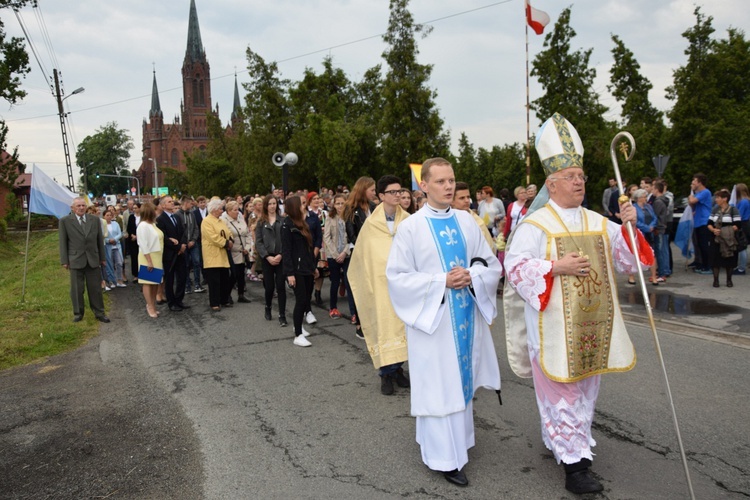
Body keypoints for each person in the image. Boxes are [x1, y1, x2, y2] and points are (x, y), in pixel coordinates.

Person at [504, 113, 653, 495]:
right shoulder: (534, 226)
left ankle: (566, 442)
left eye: (581, 176)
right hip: (553, 328)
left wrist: (631, 225)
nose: (578, 182)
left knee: (584, 392)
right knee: (562, 393)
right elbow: (516, 268)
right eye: (570, 177)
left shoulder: (597, 221)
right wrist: (556, 266)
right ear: (551, 185)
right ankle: (576, 468)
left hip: (592, 326)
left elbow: (629, 258)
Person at [386, 158, 502, 487]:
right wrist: (441, 282)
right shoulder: (410, 227)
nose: (449, 187)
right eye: (440, 182)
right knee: (438, 386)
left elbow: (489, 264)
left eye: (451, 180)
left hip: (464, 316)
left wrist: (473, 274)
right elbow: (397, 277)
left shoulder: (467, 222)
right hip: (433, 321)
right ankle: (443, 457)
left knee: (459, 383)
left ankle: (459, 445)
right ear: (423, 186)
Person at [348, 175, 410, 395]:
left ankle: (398, 369)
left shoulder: (410, 221)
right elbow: (363, 258)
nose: (398, 195)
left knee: (402, 327)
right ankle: (385, 374)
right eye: (392, 192)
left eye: (400, 191)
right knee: (384, 327)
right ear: (381, 196)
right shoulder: (371, 225)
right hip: (380, 285)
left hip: (404, 285)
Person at [59, 197, 109, 323]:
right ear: (73, 208)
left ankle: (99, 312)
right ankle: (78, 313)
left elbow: (99, 241)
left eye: (83, 205)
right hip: (75, 259)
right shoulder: (65, 221)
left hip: (93, 259)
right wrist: (65, 260)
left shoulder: (95, 220)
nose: (81, 208)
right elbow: (63, 242)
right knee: (77, 289)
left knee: (95, 289)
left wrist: (102, 258)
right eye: (78, 206)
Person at [281, 196, 317, 347]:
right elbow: (287, 251)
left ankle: (298, 326)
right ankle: (298, 335)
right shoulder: (286, 226)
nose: (304, 206)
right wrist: (290, 273)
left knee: (306, 298)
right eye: (301, 204)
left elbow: (308, 248)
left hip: (307, 267)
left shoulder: (302, 223)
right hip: (296, 270)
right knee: (301, 299)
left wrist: (313, 267)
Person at [344, 176, 377, 336]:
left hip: (375, 255)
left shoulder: (374, 206)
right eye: (372, 190)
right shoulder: (351, 209)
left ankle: (371, 322)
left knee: (373, 290)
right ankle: (360, 325)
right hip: (359, 255)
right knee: (361, 290)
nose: (374, 193)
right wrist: (367, 247)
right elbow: (352, 235)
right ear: (363, 190)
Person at [255, 194, 287, 326]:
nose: (272, 206)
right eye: (270, 204)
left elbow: (286, 240)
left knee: (281, 286)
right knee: (269, 287)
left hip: (280, 257)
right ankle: (268, 307)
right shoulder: (261, 222)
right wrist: (267, 256)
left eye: (274, 204)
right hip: (267, 258)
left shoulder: (283, 220)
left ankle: (282, 314)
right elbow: (259, 242)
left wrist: (280, 254)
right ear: (265, 206)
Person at [323, 193, 355, 320]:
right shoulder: (330, 218)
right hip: (333, 255)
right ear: (333, 205)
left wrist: (344, 252)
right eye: (337, 203)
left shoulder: (350, 217)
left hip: (347, 254)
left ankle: (354, 312)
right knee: (335, 282)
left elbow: (353, 236)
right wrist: (336, 254)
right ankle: (333, 308)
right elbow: (327, 237)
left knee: (348, 282)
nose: (340, 206)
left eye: (342, 203)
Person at [156, 196, 189, 312]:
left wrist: (183, 245)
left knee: (183, 277)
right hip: (170, 255)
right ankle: (171, 302)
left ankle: (179, 300)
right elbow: (164, 238)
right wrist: (178, 247)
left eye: (172, 201)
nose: (172, 203)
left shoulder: (176, 217)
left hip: (181, 253)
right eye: (169, 202)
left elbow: (183, 232)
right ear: (163, 205)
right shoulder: (161, 219)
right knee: (169, 280)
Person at [201, 198, 234, 311]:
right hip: (212, 254)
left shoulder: (221, 221)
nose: (222, 211)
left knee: (224, 278)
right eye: (220, 209)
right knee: (214, 281)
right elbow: (212, 237)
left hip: (223, 254)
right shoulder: (206, 221)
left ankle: (224, 299)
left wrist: (231, 240)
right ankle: (214, 302)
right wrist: (226, 243)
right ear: (214, 209)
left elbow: (229, 232)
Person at [708, 189, 741, 287]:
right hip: (716, 238)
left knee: (729, 259)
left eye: (718, 197)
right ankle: (716, 280)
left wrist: (727, 230)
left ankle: (729, 280)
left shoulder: (733, 210)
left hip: (728, 239)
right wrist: (713, 230)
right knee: (715, 259)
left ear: (725, 199)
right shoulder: (715, 209)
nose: (716, 199)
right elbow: (709, 223)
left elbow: (738, 224)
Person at [136, 202, 164, 318]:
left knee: (155, 283)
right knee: (148, 282)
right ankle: (150, 305)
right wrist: (149, 261)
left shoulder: (153, 224)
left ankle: (152, 305)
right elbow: (143, 244)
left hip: (157, 255)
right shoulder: (142, 226)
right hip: (148, 256)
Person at [221, 200, 252, 303]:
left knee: (241, 275)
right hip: (232, 252)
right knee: (233, 275)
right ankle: (227, 294)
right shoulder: (223, 220)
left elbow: (247, 233)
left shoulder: (240, 218)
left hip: (243, 251)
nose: (237, 212)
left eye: (238, 209)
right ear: (228, 211)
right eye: (235, 210)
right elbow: (225, 236)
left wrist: (247, 247)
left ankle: (241, 295)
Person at [630, 189, 658, 285]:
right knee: (635, 254)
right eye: (644, 197)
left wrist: (651, 226)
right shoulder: (633, 208)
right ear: (639, 198)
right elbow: (635, 221)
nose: (646, 198)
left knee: (652, 254)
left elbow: (654, 217)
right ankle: (632, 276)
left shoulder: (649, 207)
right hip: (638, 233)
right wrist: (646, 228)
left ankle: (654, 276)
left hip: (649, 234)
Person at [688, 173, 713, 274]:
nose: (692, 182)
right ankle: (701, 264)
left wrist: (691, 193)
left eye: (694, 181)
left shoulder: (705, 192)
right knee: (698, 244)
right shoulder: (698, 193)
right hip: (697, 221)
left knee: (704, 245)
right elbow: (690, 203)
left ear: (700, 182)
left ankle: (708, 266)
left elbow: (692, 200)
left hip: (704, 221)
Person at [103, 209, 126, 287]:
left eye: (110, 215)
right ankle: (111, 281)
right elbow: (102, 236)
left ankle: (119, 280)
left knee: (119, 263)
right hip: (108, 246)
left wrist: (115, 239)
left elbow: (120, 233)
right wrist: (108, 240)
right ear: (104, 216)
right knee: (110, 264)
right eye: (107, 215)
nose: (109, 217)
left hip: (116, 246)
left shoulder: (115, 223)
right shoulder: (102, 225)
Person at [734, 183, 750, 275]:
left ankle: (741, 268)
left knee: (742, 246)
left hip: (743, 223)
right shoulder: (747, 200)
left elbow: (739, 214)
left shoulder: (743, 202)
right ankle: (741, 267)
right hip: (745, 223)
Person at [126, 202, 141, 280]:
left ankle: (142, 274)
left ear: (139, 208)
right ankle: (135, 274)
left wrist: (138, 236)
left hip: (141, 240)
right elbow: (129, 228)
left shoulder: (143, 217)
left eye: (136, 208)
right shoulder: (131, 217)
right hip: (133, 240)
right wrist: (132, 235)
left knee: (141, 257)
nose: (134, 209)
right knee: (134, 257)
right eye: (133, 208)